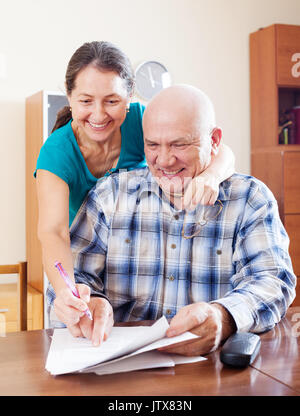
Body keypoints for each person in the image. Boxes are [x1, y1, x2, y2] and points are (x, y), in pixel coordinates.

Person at [52, 84, 296, 355]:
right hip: (119, 367)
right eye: (153, 145)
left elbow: (272, 281)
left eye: (179, 145)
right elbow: (73, 276)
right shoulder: (109, 196)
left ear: (214, 141)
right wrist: (87, 301)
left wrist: (224, 316)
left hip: (210, 369)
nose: (165, 160)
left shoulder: (249, 199)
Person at [35, 41, 235, 323]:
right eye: (85, 101)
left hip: (133, 258)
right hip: (79, 260)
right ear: (69, 97)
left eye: (112, 101)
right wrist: (68, 291)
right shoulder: (57, 152)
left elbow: (220, 149)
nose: (99, 114)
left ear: (130, 96)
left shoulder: (141, 120)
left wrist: (210, 176)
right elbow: (54, 232)